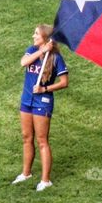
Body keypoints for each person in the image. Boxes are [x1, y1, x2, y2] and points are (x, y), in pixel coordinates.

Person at [13, 24, 68, 192]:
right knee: (26, 137)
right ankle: (26, 173)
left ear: (46, 38)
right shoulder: (33, 50)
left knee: (42, 140)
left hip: (42, 101)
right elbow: (23, 62)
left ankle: (45, 180)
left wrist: (44, 89)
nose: (33, 36)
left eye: (36, 34)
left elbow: (64, 83)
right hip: (26, 100)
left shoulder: (56, 58)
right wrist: (42, 51)